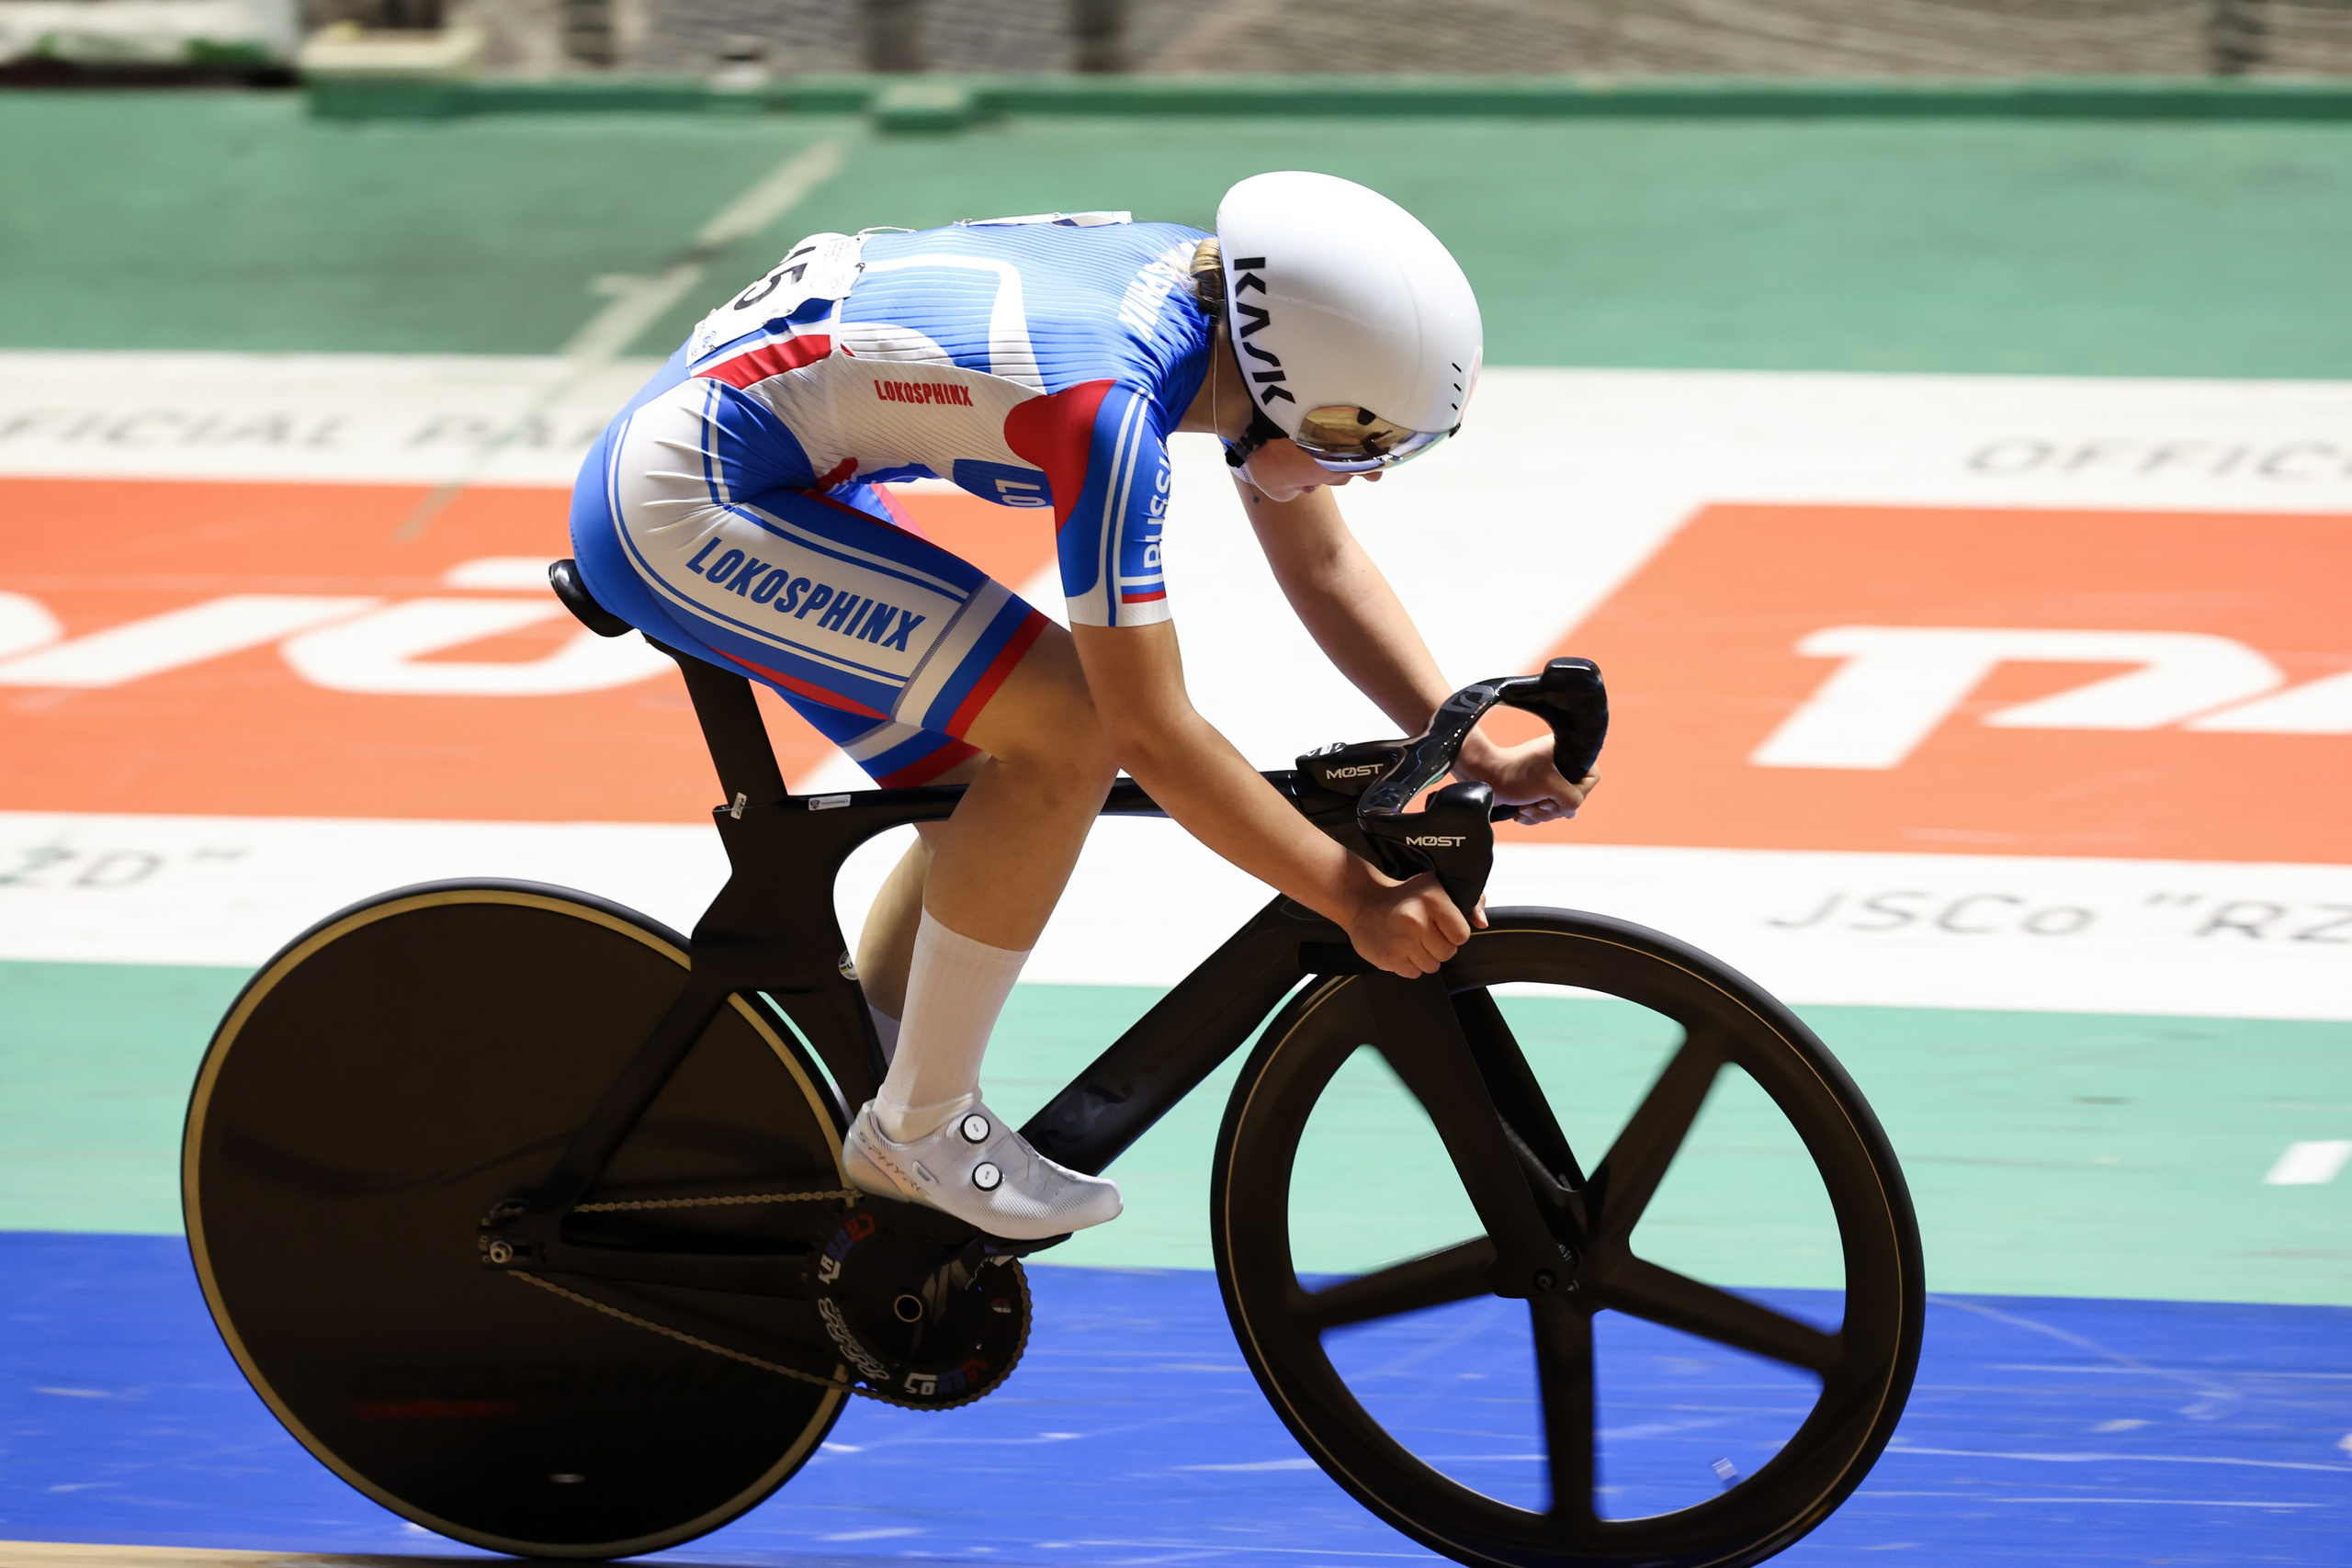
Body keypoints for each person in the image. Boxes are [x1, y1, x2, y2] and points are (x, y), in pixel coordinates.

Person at [570, 171, 1594, 1243]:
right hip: (688, 502)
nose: (1367, 474)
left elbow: (1323, 560)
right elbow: (1149, 731)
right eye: (1354, 442)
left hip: (771, 457)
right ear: (1286, 385)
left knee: (987, 793)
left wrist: (1462, 736)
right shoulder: (1106, 412)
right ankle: (918, 1128)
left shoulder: (1223, 316)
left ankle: (837, 1111)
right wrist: (1355, 901)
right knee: (1070, 727)